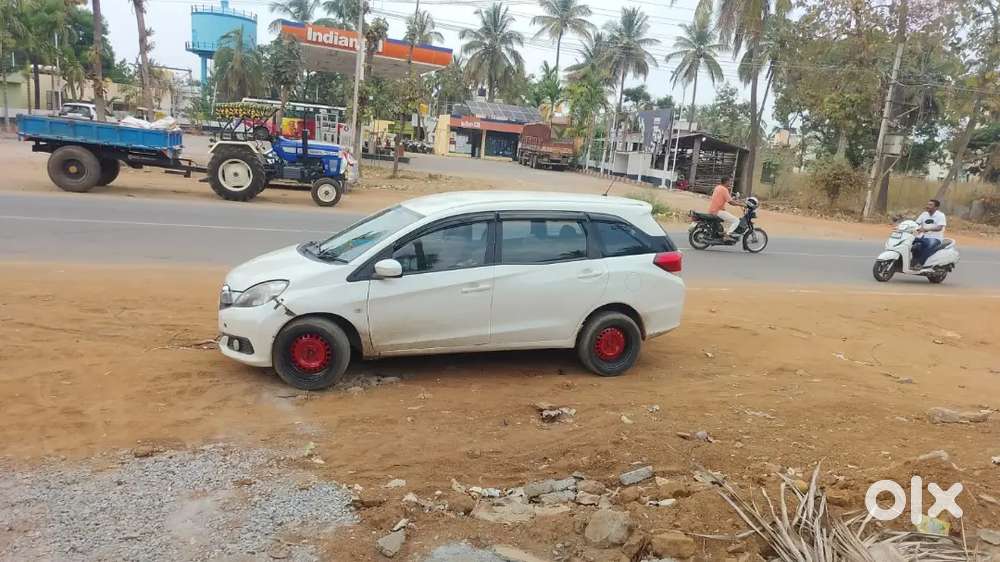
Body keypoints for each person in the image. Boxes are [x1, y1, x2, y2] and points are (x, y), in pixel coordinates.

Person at [912, 199, 947, 268]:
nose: (927, 206)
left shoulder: (940, 215)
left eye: (930, 205)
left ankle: (920, 264)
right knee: (912, 243)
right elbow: (915, 224)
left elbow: (939, 228)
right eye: (927, 204)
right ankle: (914, 260)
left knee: (929, 246)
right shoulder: (924, 214)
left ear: (936, 207)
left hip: (935, 238)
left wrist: (926, 229)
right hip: (923, 237)